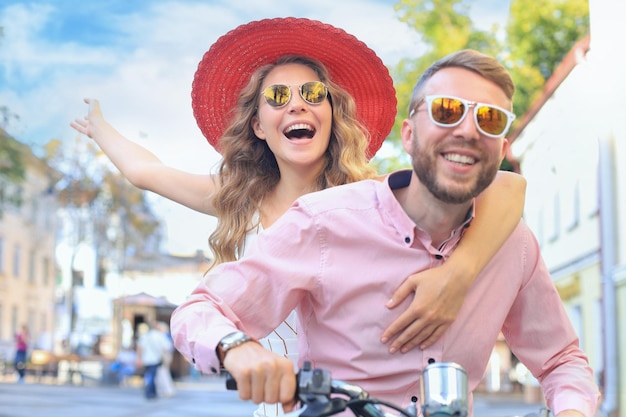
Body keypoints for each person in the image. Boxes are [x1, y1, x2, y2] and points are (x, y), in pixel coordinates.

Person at [72, 17, 525, 416]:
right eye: (277, 96)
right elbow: (145, 171)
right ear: (258, 125)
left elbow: (508, 186)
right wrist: (100, 127)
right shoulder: (237, 200)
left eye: (313, 93)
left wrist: (460, 275)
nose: (297, 104)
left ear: (332, 114)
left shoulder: (372, 199)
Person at [170, 49, 600, 417]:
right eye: (447, 111)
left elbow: (561, 359)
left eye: (489, 120)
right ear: (409, 136)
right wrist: (237, 348)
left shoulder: (513, 245)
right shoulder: (323, 222)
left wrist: (573, 409)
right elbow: (201, 309)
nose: (468, 130)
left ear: (502, 149)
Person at [136, 321, 172, 400]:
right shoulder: (160, 336)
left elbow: (140, 348)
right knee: (152, 375)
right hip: (155, 359)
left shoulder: (145, 336)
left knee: (150, 375)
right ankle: (150, 392)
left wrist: (139, 358)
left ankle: (152, 391)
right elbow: (166, 347)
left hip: (146, 359)